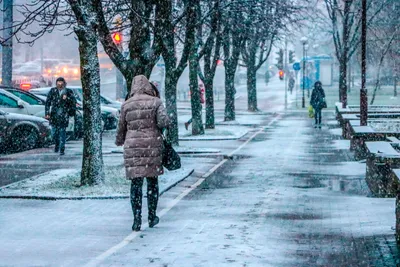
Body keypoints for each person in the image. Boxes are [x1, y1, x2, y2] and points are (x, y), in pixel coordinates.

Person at [115, 75, 170, 232]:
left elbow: (121, 127)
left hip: (133, 148)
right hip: (152, 146)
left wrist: (120, 141)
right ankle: (152, 216)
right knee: (152, 182)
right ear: (148, 86)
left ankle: (136, 219)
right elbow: (164, 122)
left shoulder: (126, 105)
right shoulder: (156, 102)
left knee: (136, 183)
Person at [45, 77, 76, 155]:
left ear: (64, 83)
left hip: (64, 115)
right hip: (54, 115)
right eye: (58, 83)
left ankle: (62, 148)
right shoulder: (53, 91)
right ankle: (57, 144)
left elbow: (73, 102)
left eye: (61, 83)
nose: (60, 85)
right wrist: (47, 113)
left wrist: (67, 99)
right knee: (54, 132)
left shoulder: (68, 91)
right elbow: (48, 102)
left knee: (62, 132)